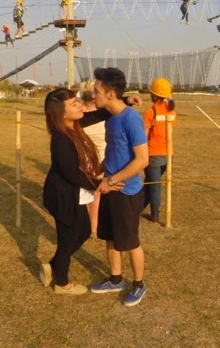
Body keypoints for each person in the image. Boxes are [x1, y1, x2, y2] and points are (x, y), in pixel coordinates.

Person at [90, 67, 150, 307]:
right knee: (110, 237)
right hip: (110, 187)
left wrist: (111, 181)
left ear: (110, 94)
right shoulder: (111, 118)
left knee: (130, 241)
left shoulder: (131, 119)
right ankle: (116, 279)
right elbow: (114, 151)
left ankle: (139, 284)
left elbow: (142, 160)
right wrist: (98, 170)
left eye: (96, 91)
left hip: (126, 191)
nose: (93, 95)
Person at [41, 88, 106, 295]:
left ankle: (53, 266)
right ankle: (62, 284)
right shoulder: (60, 139)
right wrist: (100, 185)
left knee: (84, 232)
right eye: (73, 104)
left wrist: (125, 101)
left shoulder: (75, 125)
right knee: (68, 239)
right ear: (61, 113)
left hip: (74, 193)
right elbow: (72, 174)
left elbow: (99, 114)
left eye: (76, 100)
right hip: (63, 197)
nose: (79, 105)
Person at [142, 78, 177, 224]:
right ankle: (137, 208)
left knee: (154, 185)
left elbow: (143, 136)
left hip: (154, 154)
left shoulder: (151, 112)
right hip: (168, 155)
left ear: (155, 95)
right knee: (149, 183)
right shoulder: (172, 111)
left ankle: (154, 216)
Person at [78, 80, 106, 237]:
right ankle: (93, 227)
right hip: (97, 157)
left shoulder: (80, 113)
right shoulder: (101, 113)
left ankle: (90, 226)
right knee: (95, 193)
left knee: (89, 192)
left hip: (90, 158)